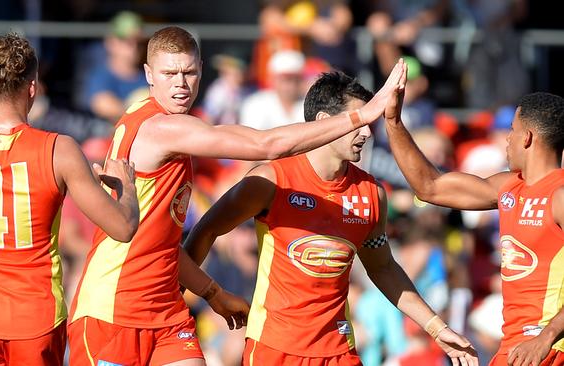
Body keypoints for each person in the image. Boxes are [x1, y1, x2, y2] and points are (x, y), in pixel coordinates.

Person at [68, 26, 407, 366]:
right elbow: (266, 145)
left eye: (189, 72)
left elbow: (158, 244)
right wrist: (360, 116)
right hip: (113, 308)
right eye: (169, 73)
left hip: (164, 310)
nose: (180, 84)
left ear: (201, 68)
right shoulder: (162, 128)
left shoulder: (172, 128)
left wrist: (212, 293)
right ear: (148, 75)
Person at [184, 70, 478, 366]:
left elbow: (384, 268)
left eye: (369, 124)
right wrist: (196, 294)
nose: (366, 133)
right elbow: (206, 230)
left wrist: (437, 328)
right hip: (275, 350)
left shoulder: (371, 192)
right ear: (326, 122)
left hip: (339, 351)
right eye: (359, 122)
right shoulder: (270, 180)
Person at [0, 33, 140, 365]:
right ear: (33, 87)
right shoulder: (60, 150)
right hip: (38, 323)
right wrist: (128, 190)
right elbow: (123, 227)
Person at [384, 81, 564, 364]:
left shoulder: (560, 195)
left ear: (527, 137)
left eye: (512, 131)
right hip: (515, 348)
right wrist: (393, 122)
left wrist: (546, 335)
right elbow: (430, 187)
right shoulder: (508, 187)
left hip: (550, 347)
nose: (507, 139)